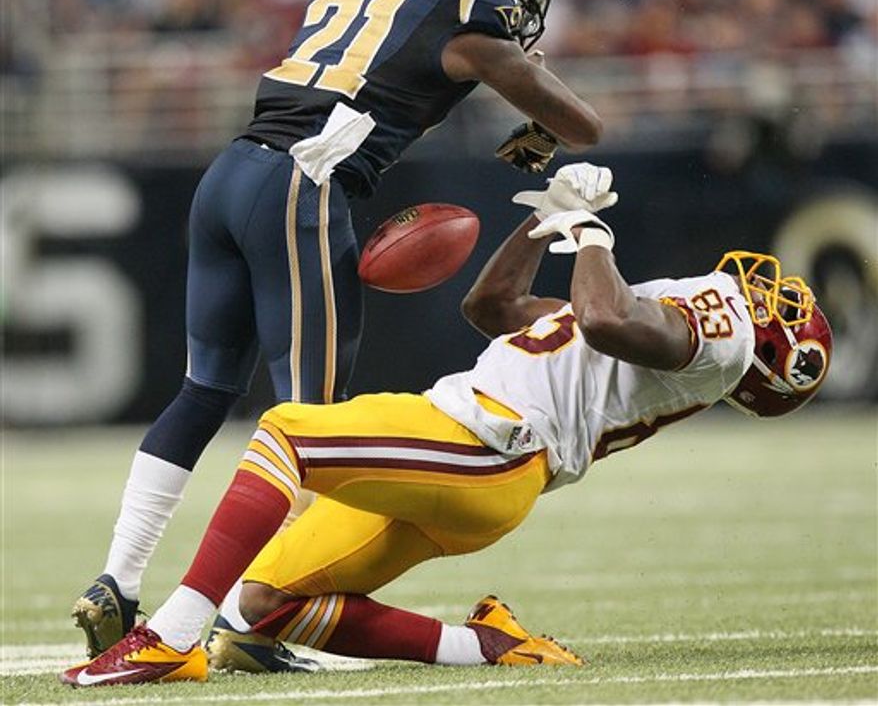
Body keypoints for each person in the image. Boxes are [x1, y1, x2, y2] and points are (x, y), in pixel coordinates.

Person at [61, 161, 832, 686]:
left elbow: (602, 315)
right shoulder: (657, 350)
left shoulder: (720, 339)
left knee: (287, 432)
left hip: (488, 441)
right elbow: (490, 309)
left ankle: (169, 636)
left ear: (761, 363)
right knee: (263, 608)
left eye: (783, 317)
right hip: (484, 464)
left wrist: (591, 231)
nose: (769, 295)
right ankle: (487, 644)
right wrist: (548, 219)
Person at [71, 0, 605, 670]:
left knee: (204, 389)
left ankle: (118, 583)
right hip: (299, 187)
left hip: (228, 177)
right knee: (316, 432)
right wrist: (547, 124)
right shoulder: (473, 7)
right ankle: (238, 623)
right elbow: (586, 127)